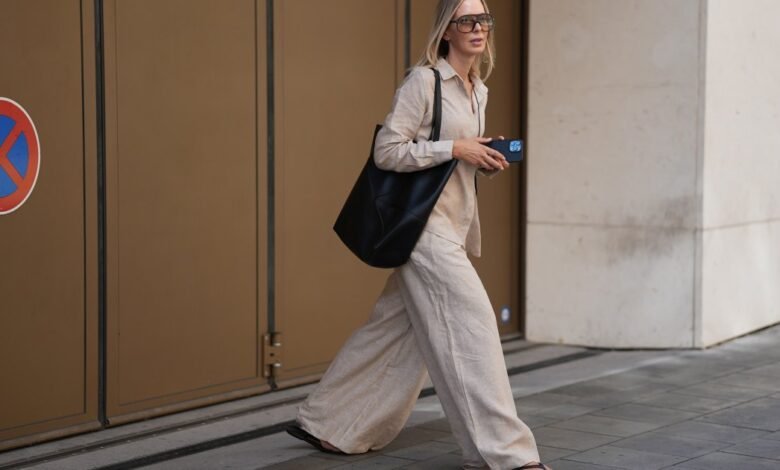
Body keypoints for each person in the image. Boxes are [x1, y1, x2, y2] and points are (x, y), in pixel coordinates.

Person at [286, 1, 551, 469]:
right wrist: (455, 148)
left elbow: (453, 161)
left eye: (484, 20)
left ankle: (330, 424)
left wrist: (480, 158)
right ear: (446, 30)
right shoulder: (423, 82)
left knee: (396, 331)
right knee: (472, 329)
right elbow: (387, 150)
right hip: (424, 230)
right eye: (467, 20)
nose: (478, 28)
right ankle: (505, 456)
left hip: (453, 226)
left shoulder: (478, 89)